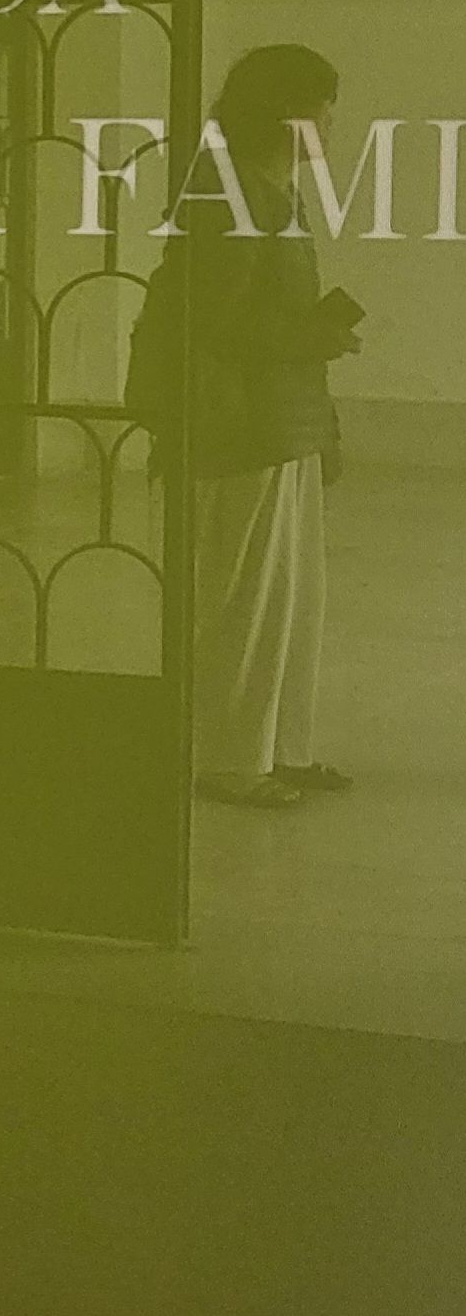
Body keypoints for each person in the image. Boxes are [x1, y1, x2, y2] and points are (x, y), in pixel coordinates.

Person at [179, 44, 365, 807]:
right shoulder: (230, 194)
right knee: (244, 601)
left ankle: (280, 747)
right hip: (241, 426)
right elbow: (212, 325)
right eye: (322, 109)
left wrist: (322, 420)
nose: (329, 124)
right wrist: (311, 338)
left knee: (290, 595)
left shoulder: (274, 191)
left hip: (283, 421)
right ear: (283, 113)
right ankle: (228, 758)